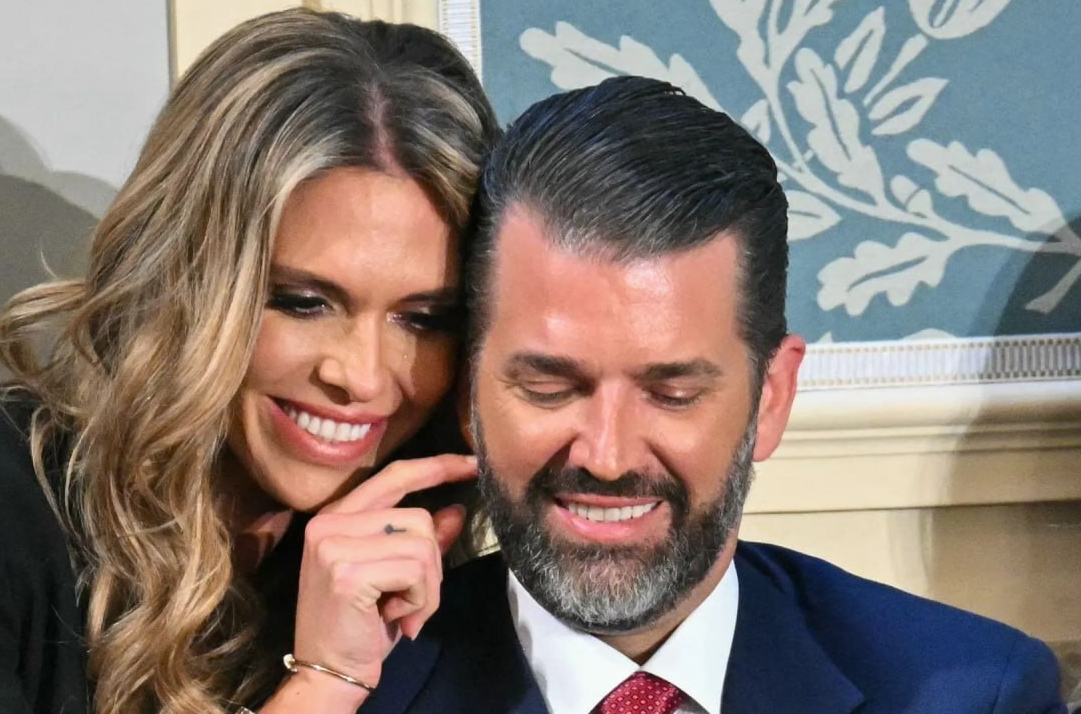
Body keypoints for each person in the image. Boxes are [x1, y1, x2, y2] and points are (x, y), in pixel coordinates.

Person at [0, 8, 498, 714]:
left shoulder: (432, 583)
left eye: (424, 320)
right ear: (184, 275)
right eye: (302, 301)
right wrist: (325, 682)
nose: (362, 376)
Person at [359, 76, 1066, 714]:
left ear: (771, 398)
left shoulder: (972, 693)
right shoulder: (353, 687)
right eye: (549, 388)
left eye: (672, 393)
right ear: (469, 395)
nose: (606, 456)